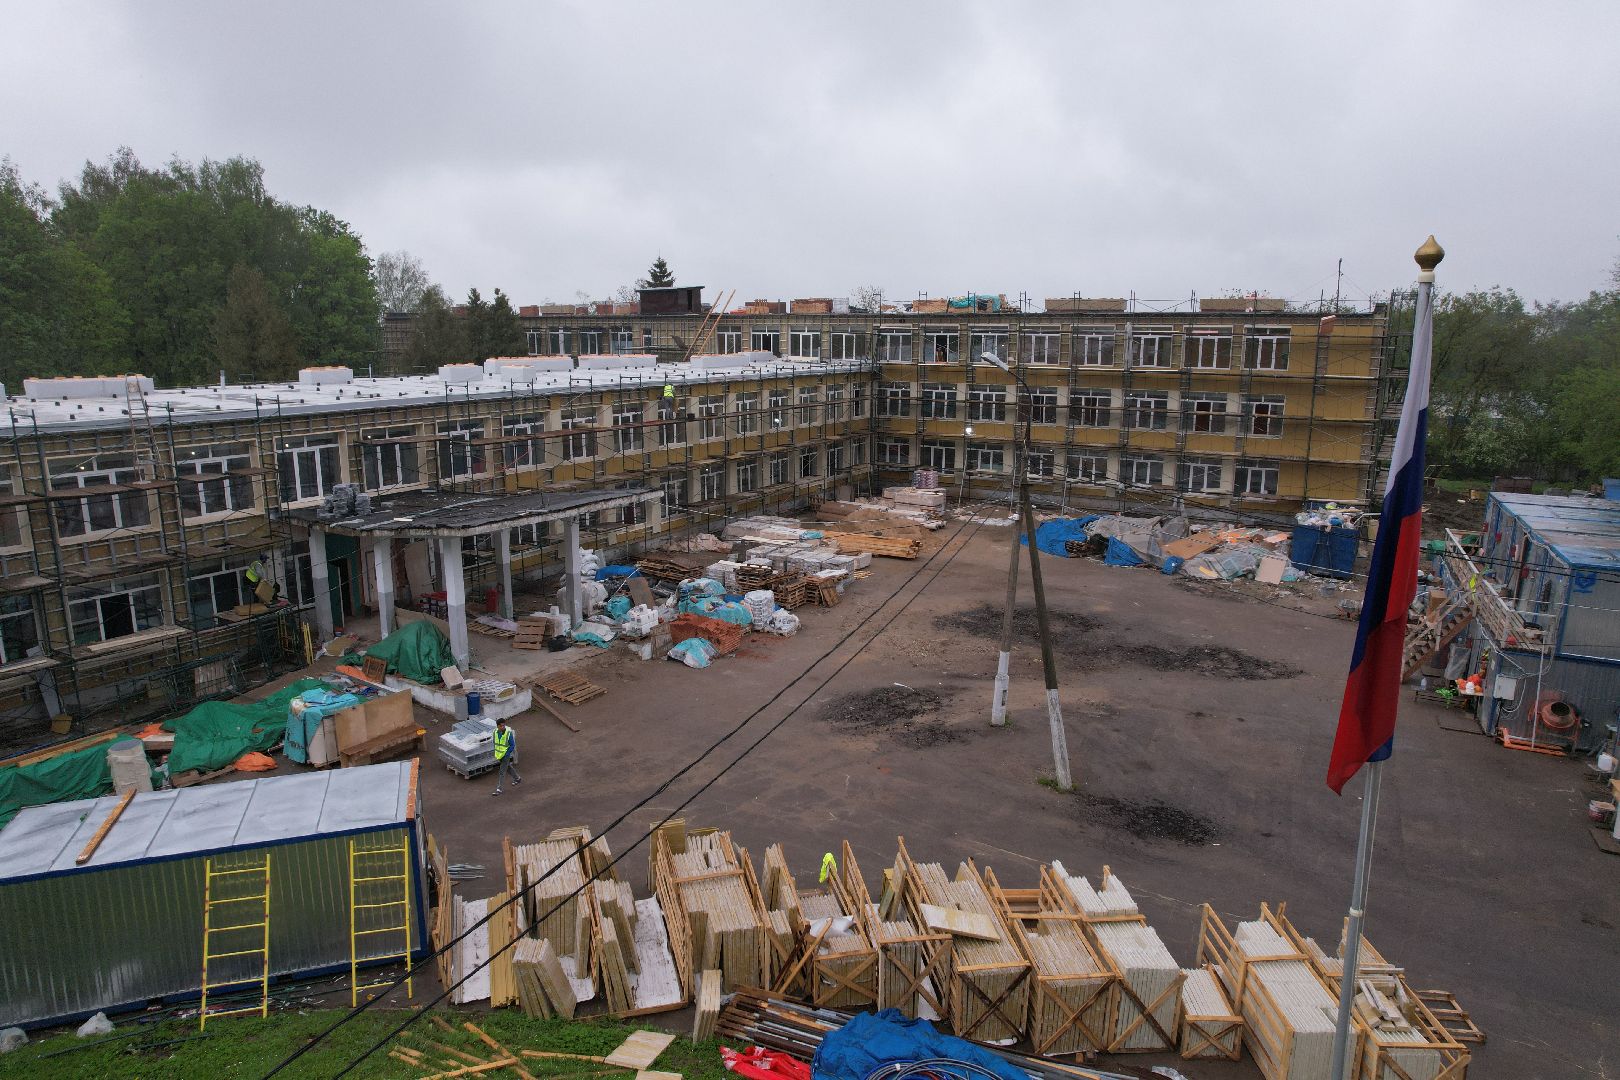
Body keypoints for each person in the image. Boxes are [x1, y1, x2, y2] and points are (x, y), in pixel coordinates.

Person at [491, 718, 521, 795]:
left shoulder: (508, 733)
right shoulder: (494, 732)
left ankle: (499, 789)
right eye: (501, 726)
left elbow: (512, 745)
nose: (503, 727)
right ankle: (517, 778)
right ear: (497, 726)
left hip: (505, 755)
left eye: (504, 725)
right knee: (508, 767)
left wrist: (507, 753)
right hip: (499, 755)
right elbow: (495, 742)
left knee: (502, 771)